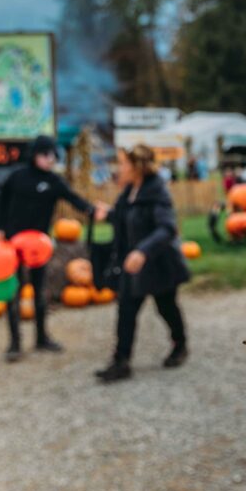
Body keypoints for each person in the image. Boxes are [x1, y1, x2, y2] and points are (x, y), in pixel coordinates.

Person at [0, 135, 97, 362]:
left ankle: (41, 338)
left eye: (53, 155)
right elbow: (0, 203)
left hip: (38, 247)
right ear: (35, 155)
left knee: (40, 292)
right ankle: (14, 343)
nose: (50, 159)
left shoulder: (54, 181)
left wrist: (92, 210)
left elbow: (74, 199)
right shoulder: (17, 177)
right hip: (12, 244)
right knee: (14, 293)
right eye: (46, 155)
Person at [94, 144, 190, 383]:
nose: (120, 168)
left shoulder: (157, 191)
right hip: (132, 264)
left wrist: (143, 252)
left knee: (166, 307)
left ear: (137, 167)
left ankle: (180, 345)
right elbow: (125, 216)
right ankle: (121, 361)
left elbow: (167, 228)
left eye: (124, 163)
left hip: (157, 263)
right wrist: (109, 214)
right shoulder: (129, 192)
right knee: (126, 310)